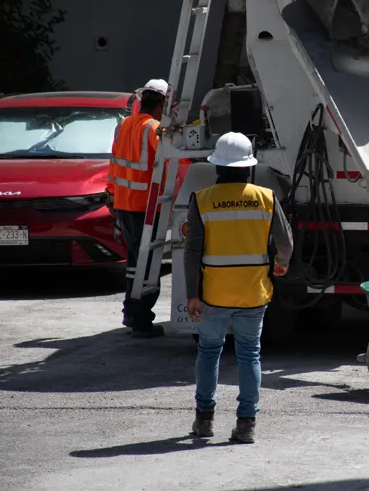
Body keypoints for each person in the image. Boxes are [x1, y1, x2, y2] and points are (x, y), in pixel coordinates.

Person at [184, 131, 294, 444]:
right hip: (253, 292)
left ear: (216, 167)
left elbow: (192, 251)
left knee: (209, 352)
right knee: (250, 356)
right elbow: (284, 243)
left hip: (214, 294)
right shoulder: (266, 198)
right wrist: (282, 263)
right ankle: (246, 424)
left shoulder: (202, 200)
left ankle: (204, 420)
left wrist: (192, 294)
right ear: (249, 167)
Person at [106, 78, 168, 339]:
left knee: (134, 262)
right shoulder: (154, 129)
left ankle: (131, 312)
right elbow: (175, 156)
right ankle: (141, 318)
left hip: (123, 203)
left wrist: (110, 195)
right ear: (162, 103)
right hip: (146, 207)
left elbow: (113, 163)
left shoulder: (123, 126)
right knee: (148, 264)